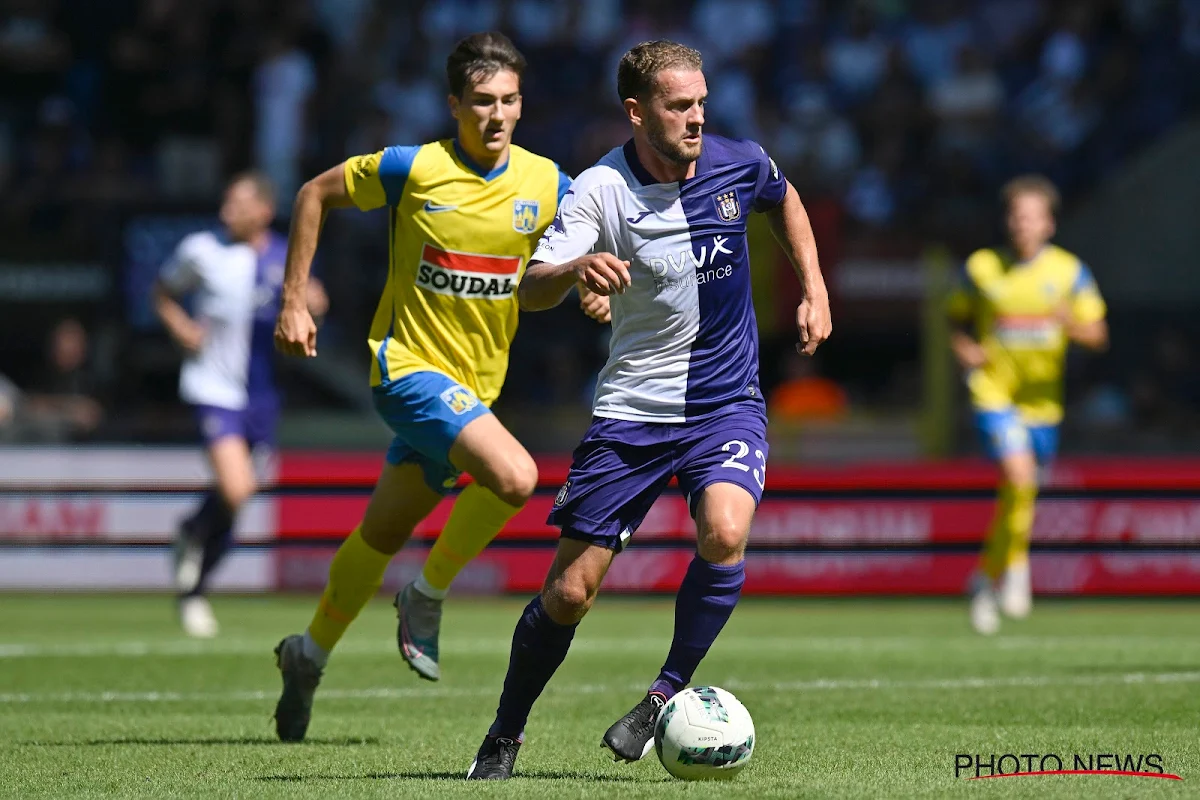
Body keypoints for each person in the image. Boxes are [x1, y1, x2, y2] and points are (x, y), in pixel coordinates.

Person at [466, 39, 831, 780]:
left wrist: (814, 288)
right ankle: (505, 733)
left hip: (726, 402)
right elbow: (530, 286)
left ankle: (662, 695)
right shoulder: (601, 189)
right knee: (569, 593)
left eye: (702, 102)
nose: (698, 118)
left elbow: (783, 196)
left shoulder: (739, 161)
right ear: (637, 112)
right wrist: (575, 270)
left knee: (725, 532)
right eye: (679, 105)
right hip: (634, 411)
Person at [270, 32, 591, 743]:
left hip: (475, 392)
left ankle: (308, 653)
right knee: (516, 476)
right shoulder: (414, 169)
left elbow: (550, 280)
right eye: (481, 101)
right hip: (407, 369)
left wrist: (583, 282)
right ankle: (428, 593)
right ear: (454, 105)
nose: (497, 114)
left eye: (509, 100)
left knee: (381, 532)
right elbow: (312, 194)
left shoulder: (549, 183)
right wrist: (293, 297)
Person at [154, 172, 327, 638]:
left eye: (237, 203)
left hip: (263, 396)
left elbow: (315, 299)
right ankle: (193, 563)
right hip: (213, 387)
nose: (226, 210)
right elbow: (163, 292)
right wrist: (181, 328)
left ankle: (195, 575)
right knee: (237, 489)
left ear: (263, 212)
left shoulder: (283, 256)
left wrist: (313, 302)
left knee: (237, 500)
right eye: (226, 201)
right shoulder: (201, 251)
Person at [948, 175, 1108, 636]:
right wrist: (963, 348)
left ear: (1049, 224)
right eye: (1016, 216)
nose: (1023, 224)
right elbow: (954, 318)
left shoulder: (1069, 272)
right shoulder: (982, 268)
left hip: (1044, 407)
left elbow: (1099, 334)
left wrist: (1070, 325)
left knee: (1020, 497)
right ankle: (1016, 570)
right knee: (1018, 478)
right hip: (994, 393)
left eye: (1032, 216)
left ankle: (985, 578)